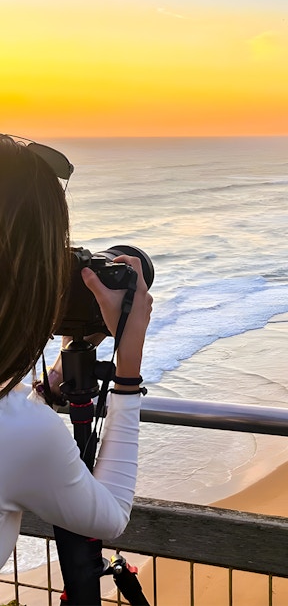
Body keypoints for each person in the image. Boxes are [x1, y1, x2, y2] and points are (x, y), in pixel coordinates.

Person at [0, 134, 153, 571]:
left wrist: (45, 388)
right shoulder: (19, 432)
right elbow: (109, 516)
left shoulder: (17, 425)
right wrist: (127, 369)